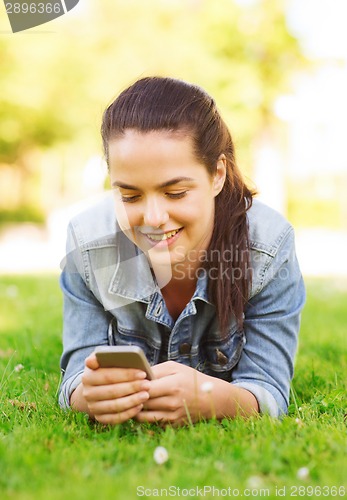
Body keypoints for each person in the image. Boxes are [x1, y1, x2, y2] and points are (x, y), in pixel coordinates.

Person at [59, 76, 305, 426]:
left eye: (175, 193)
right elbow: (75, 377)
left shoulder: (267, 247)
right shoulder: (88, 243)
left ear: (217, 174)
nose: (154, 219)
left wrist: (214, 398)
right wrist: (89, 394)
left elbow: (269, 389)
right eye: (129, 196)